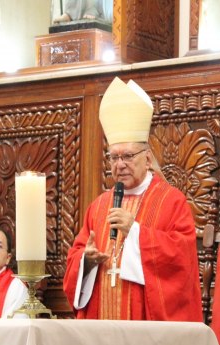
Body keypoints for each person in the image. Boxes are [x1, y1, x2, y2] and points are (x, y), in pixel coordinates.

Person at [63, 77, 203, 321]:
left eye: (127, 156)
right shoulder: (98, 207)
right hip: (102, 320)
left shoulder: (171, 201)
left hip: (146, 327)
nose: (120, 165)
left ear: (147, 158)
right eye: (114, 157)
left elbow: (182, 260)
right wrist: (87, 260)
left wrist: (135, 232)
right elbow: (77, 252)